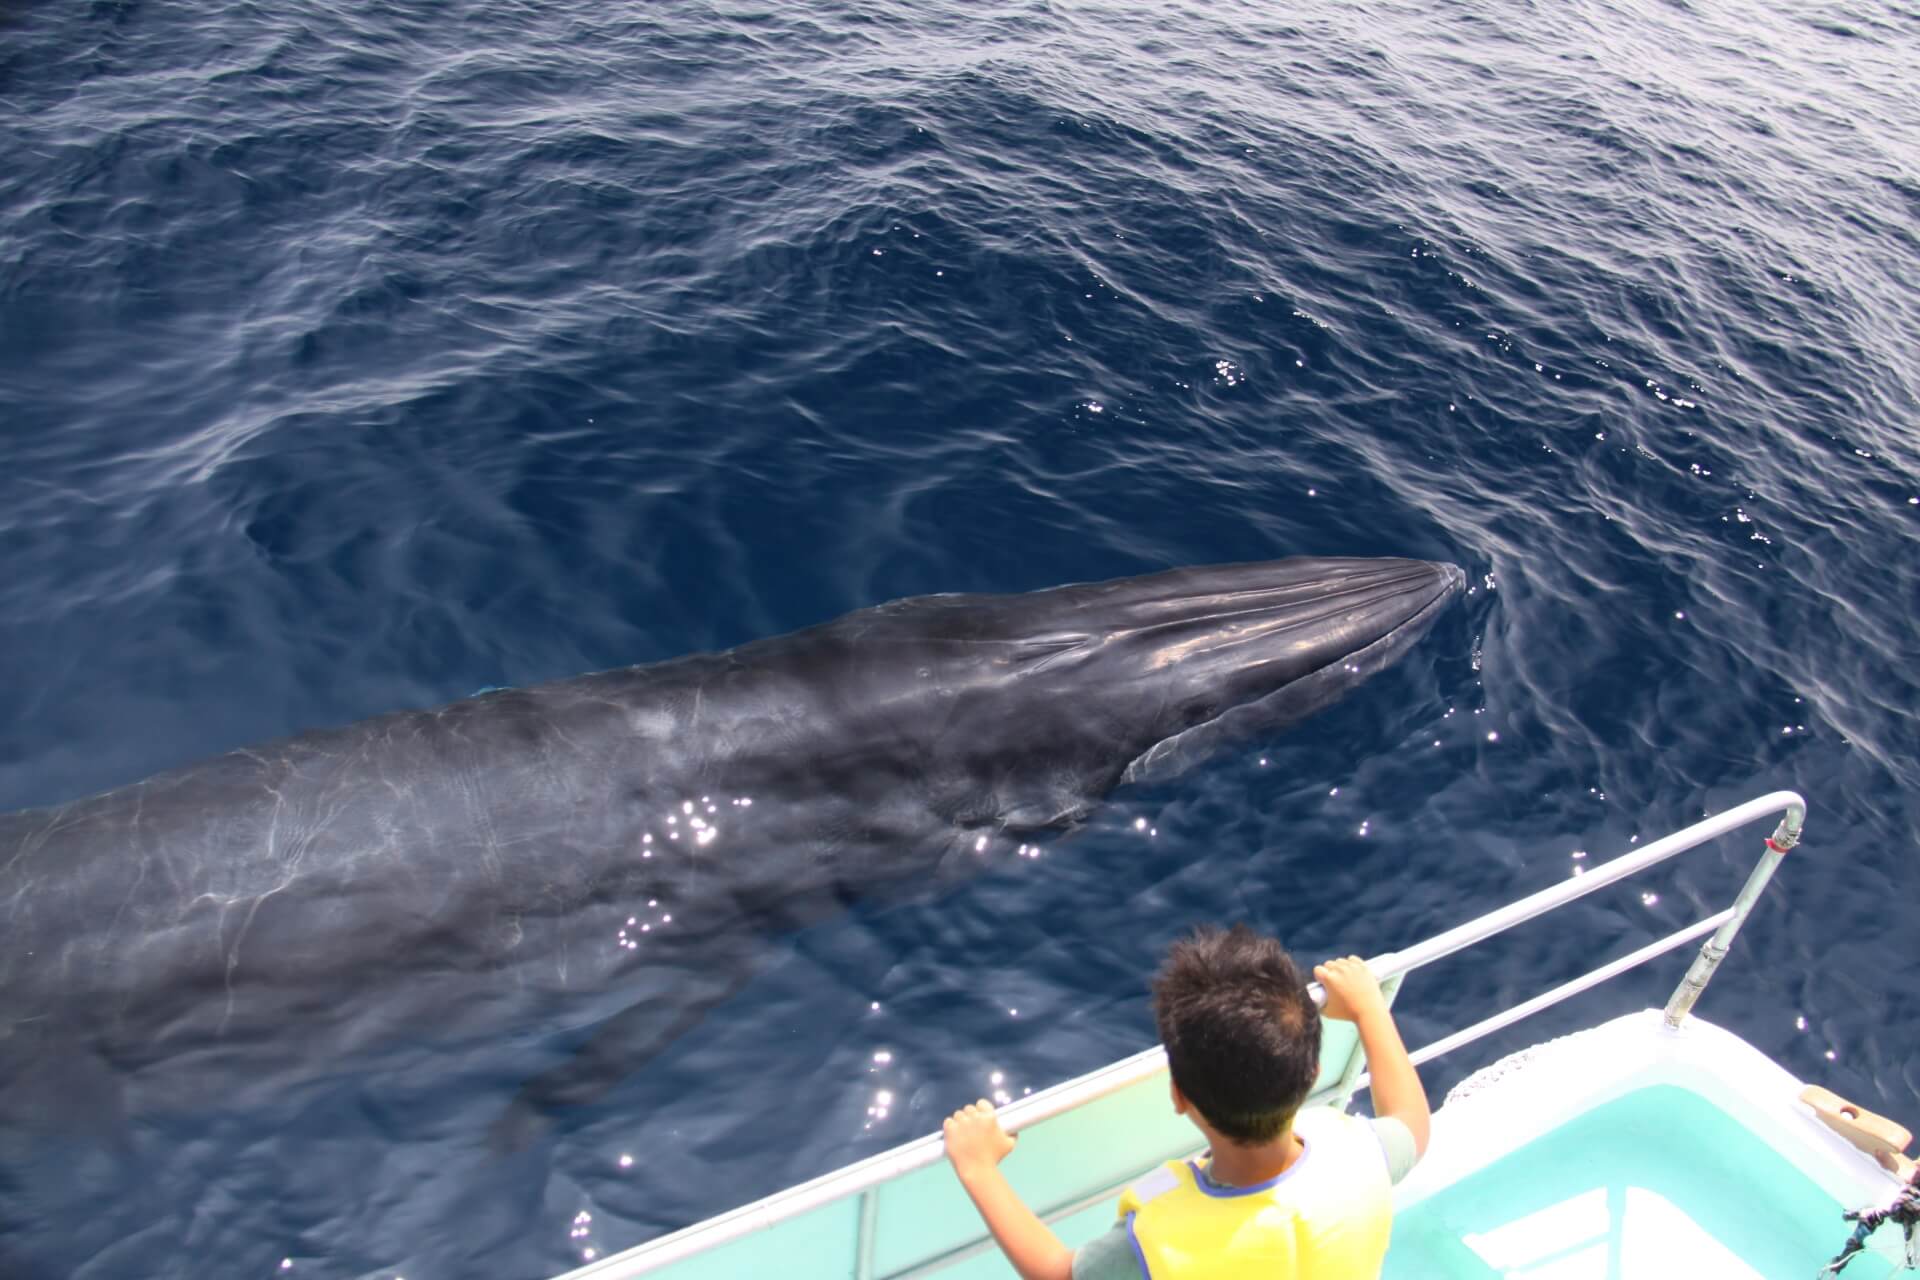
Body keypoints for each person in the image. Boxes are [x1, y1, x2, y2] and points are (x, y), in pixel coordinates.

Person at [943, 924, 1431, 1279]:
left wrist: (978, 1170)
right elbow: (1411, 1121)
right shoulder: (1358, 1151)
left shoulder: (1157, 1242)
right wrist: (1370, 1009)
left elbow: (1056, 1274)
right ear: (1313, 1074)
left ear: (1178, 1096)